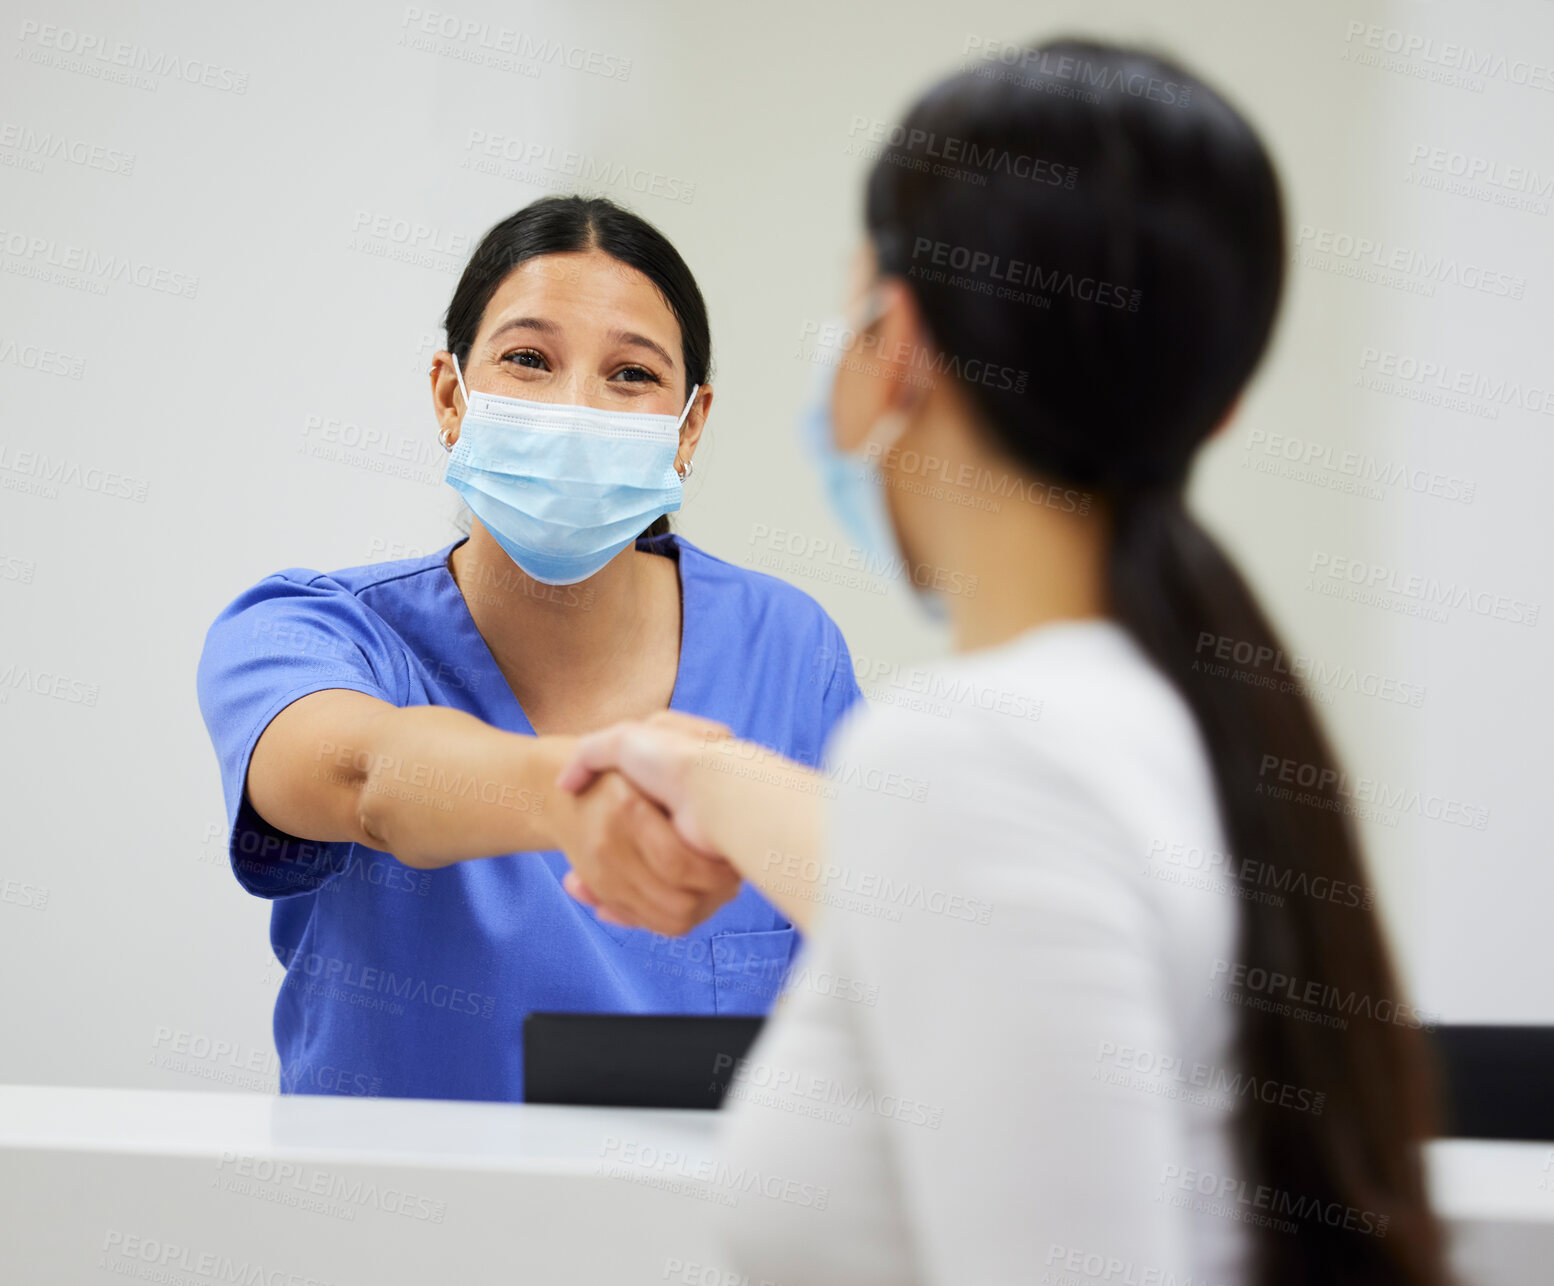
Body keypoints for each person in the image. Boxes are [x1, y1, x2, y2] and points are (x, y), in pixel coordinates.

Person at [554, 40, 1449, 1286]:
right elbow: (944, 902)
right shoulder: (1171, 718)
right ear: (1213, 401)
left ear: (898, 346)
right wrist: (699, 776)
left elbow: (962, 850)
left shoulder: (980, 755)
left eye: (852, 313)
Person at [194, 196, 864, 1103]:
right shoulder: (309, 632)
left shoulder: (789, 649)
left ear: (690, 425)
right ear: (449, 396)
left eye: (631, 375)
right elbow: (366, 778)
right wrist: (588, 799)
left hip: (692, 1233)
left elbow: (869, 944)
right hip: (388, 1229)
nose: (576, 407)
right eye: (528, 360)